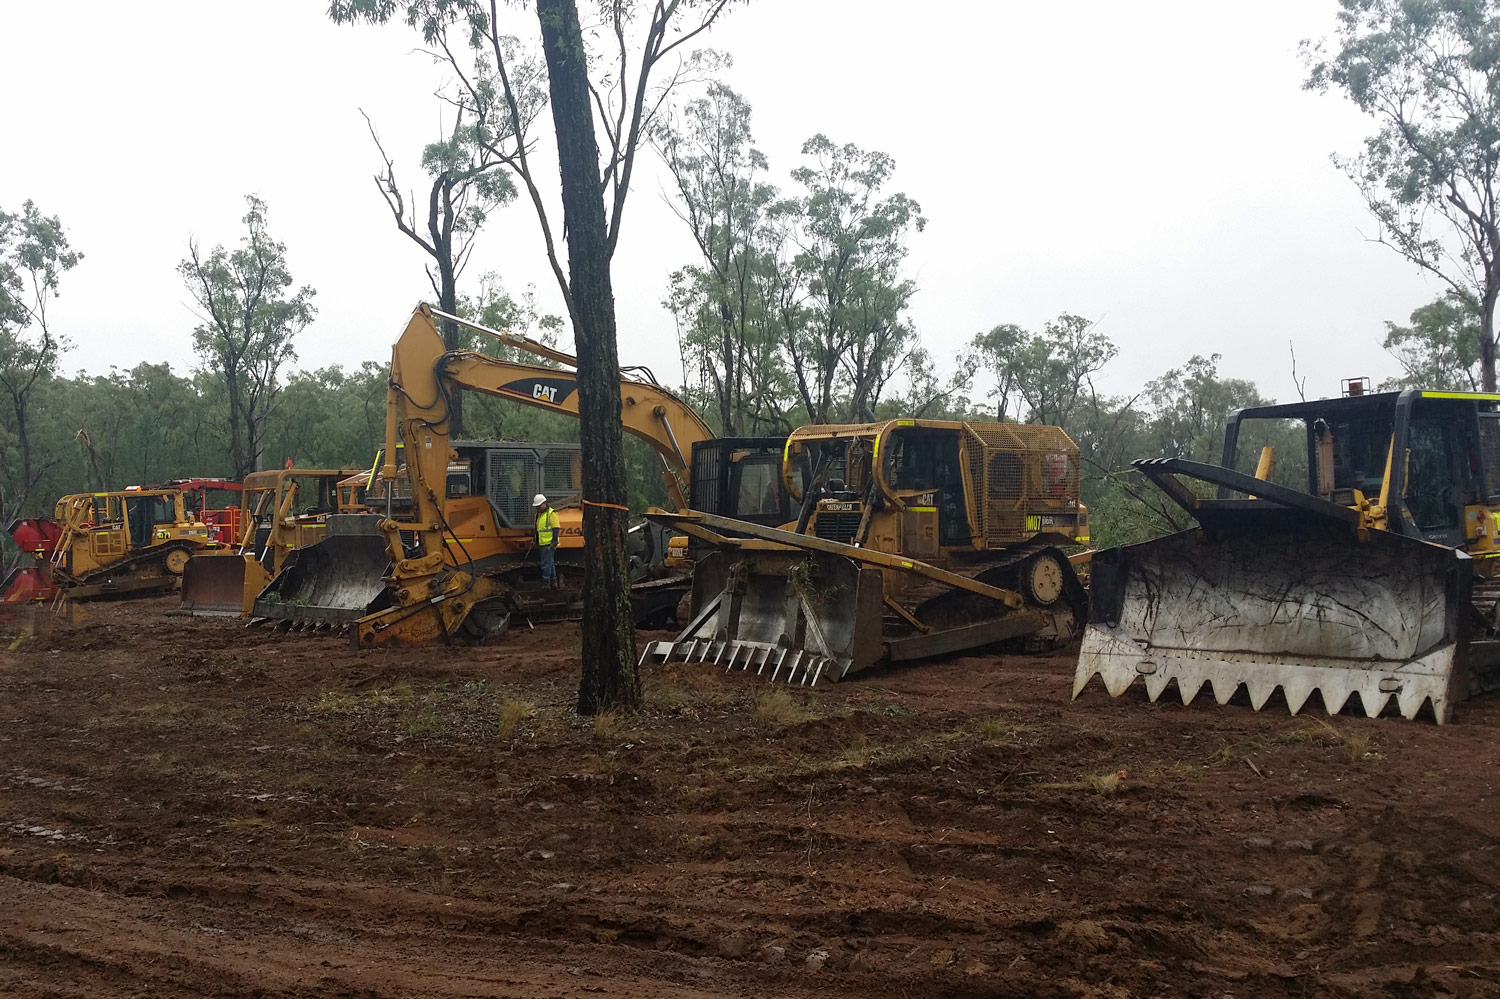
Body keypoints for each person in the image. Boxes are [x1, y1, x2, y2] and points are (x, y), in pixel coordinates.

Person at [534, 493, 561, 589]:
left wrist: (554, 541)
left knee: (546, 564)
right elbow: (539, 529)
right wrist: (536, 539)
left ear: (544, 503)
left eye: (539, 506)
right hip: (543, 543)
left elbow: (556, 528)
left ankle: (546, 583)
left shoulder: (551, 513)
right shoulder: (540, 515)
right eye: (536, 506)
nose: (537, 508)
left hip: (549, 544)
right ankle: (553, 582)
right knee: (550, 563)